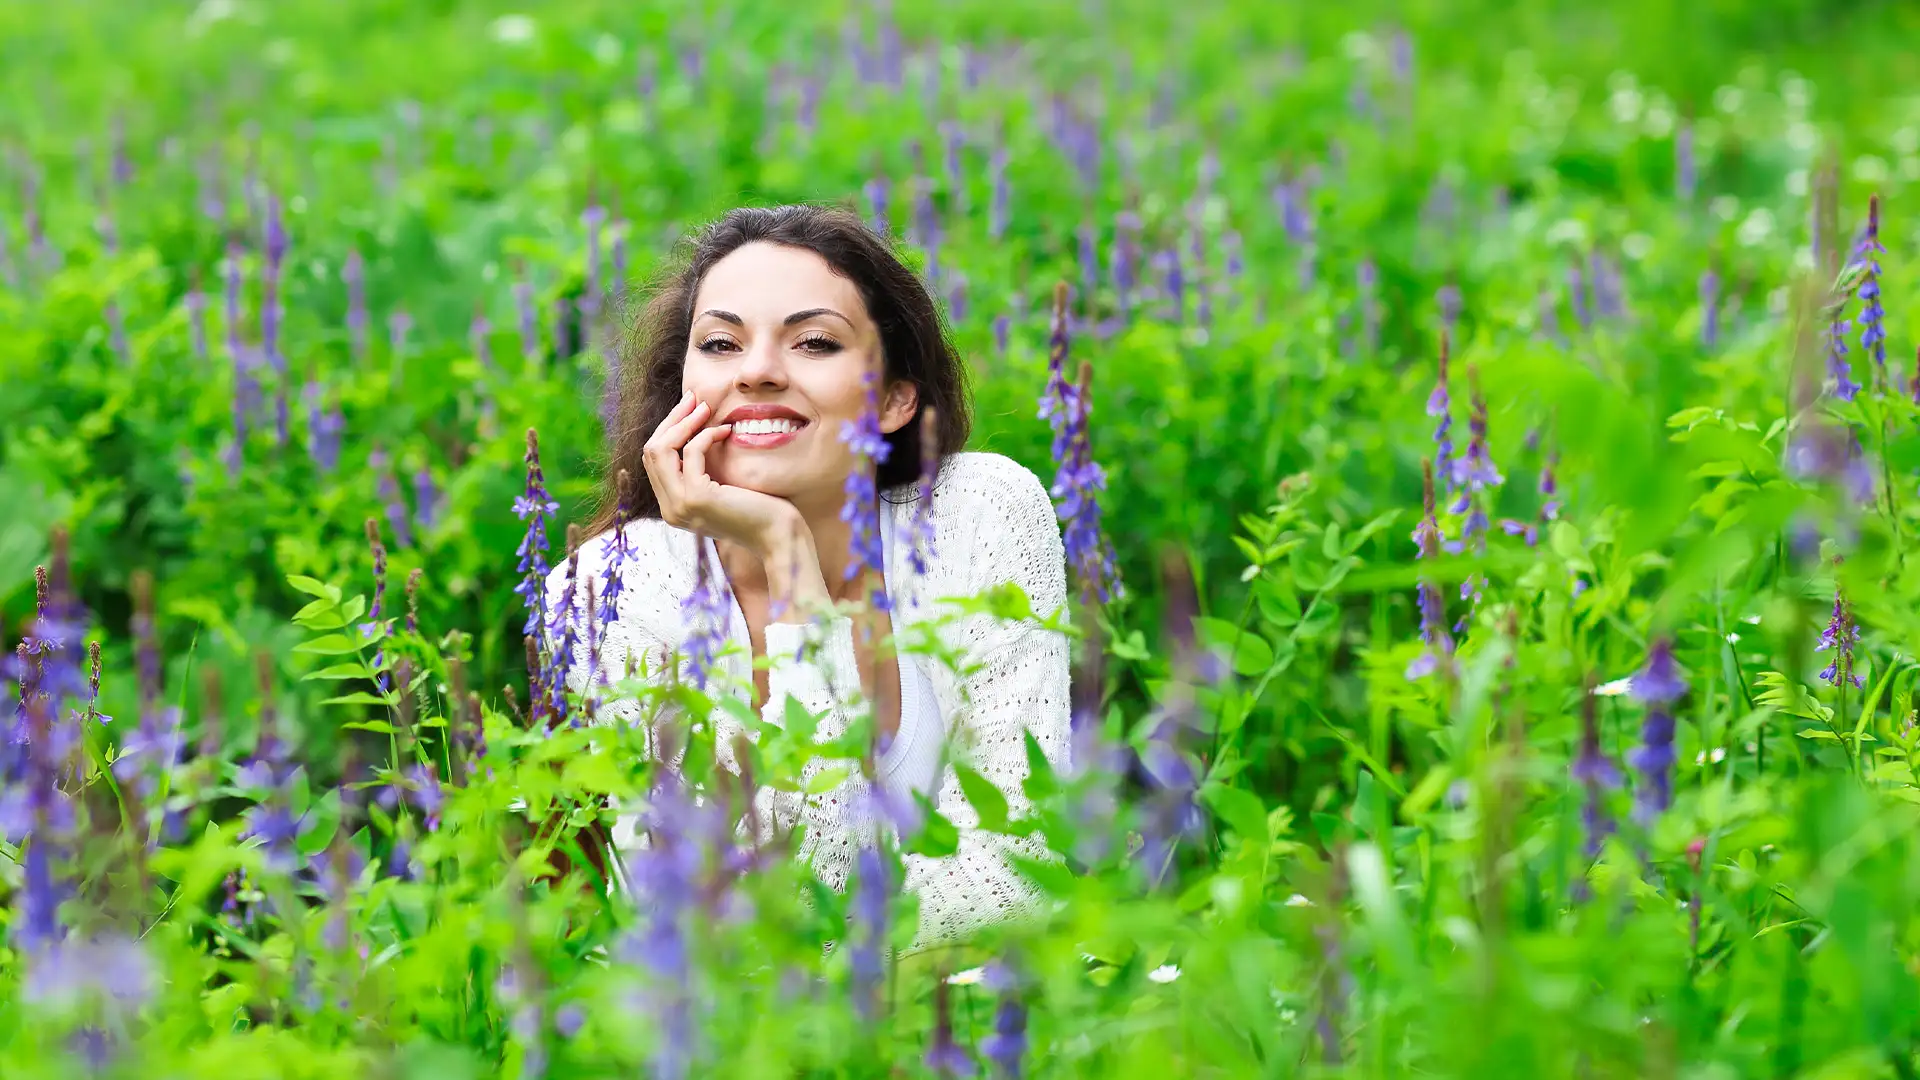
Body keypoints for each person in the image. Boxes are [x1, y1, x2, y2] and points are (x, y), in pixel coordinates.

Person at [544, 204, 1071, 949]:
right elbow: (767, 918)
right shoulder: (614, 589)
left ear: (893, 398)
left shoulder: (978, 514)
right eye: (721, 343)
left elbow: (1026, 864)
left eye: (814, 342)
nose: (757, 370)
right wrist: (787, 555)